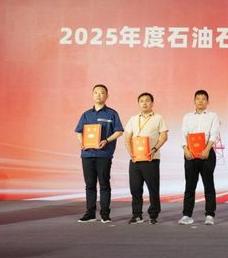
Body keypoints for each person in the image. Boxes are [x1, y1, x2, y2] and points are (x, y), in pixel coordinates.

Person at [75, 84, 124, 223]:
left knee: (104, 184)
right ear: (92, 95)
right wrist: (81, 142)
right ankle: (90, 213)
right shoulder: (86, 114)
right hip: (87, 154)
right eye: (96, 92)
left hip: (104, 154)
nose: (98, 95)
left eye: (102, 93)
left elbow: (119, 131)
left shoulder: (112, 114)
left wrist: (106, 140)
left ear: (107, 96)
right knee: (90, 185)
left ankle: (105, 214)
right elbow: (79, 131)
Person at [123, 92, 168, 225]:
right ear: (138, 103)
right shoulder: (133, 119)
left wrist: (154, 149)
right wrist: (131, 153)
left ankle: (153, 215)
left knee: (153, 188)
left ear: (152, 103)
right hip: (135, 159)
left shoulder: (158, 118)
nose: (144, 103)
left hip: (151, 158)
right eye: (141, 101)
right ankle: (137, 215)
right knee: (135, 188)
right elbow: (127, 138)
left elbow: (164, 136)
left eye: (147, 100)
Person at [179, 90, 220, 225]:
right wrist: (185, 149)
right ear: (194, 101)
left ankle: (210, 215)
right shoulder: (187, 117)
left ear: (207, 101)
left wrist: (207, 150)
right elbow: (183, 134)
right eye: (198, 98)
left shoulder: (213, 116)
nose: (200, 101)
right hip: (190, 154)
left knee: (208, 185)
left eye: (203, 99)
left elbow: (214, 134)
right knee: (190, 185)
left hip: (206, 154)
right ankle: (187, 215)